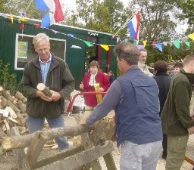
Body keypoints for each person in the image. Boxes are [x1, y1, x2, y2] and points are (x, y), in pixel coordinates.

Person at [82, 42, 162, 170]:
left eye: (118, 61)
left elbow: (103, 107)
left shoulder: (121, 82)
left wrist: (87, 122)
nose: (118, 64)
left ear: (122, 61)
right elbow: (156, 108)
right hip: (156, 138)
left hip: (135, 140)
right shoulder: (151, 81)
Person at [20, 33, 75, 151]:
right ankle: (32, 166)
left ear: (49, 46)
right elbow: (23, 87)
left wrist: (59, 94)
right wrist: (37, 93)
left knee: (62, 140)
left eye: (45, 48)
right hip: (35, 109)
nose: (43, 52)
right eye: (40, 49)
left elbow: (70, 84)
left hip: (54, 108)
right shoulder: (30, 66)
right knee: (33, 141)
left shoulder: (60, 64)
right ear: (35, 49)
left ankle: (66, 164)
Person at [161, 54, 194, 170]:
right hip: (177, 128)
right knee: (175, 160)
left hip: (175, 125)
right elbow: (181, 107)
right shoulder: (182, 80)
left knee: (174, 158)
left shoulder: (180, 77)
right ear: (192, 63)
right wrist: (189, 125)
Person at [153, 60, 171, 160]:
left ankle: (153, 153)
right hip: (168, 110)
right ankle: (166, 152)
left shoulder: (152, 81)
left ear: (155, 69)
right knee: (165, 132)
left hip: (155, 109)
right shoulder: (171, 80)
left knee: (154, 131)